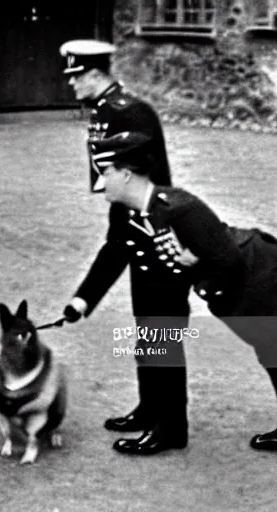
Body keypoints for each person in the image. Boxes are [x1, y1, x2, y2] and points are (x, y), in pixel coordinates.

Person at [86, 130, 277, 452]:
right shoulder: (134, 211)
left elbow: (227, 262)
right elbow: (120, 251)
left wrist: (196, 269)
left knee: (273, 351)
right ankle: (162, 423)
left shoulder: (180, 208)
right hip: (230, 281)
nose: (100, 182)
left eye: (106, 173)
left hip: (257, 278)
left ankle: (167, 427)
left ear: (126, 174)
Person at [59, 39, 192, 455]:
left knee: (162, 333)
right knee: (146, 332)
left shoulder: (129, 111)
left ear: (93, 74)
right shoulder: (104, 110)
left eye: (75, 77)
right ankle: (150, 408)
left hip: (157, 229)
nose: (72, 86)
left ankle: (171, 427)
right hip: (133, 223)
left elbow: (142, 175)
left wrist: (137, 220)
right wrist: (84, 300)